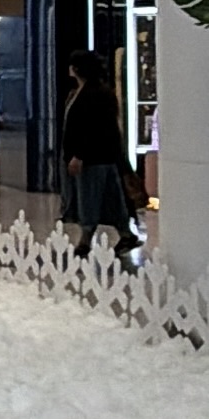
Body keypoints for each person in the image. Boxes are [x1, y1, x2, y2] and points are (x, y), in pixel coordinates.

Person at [60, 49, 139, 260]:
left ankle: (85, 242)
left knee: (90, 198)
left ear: (77, 69)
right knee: (109, 198)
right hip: (99, 157)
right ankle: (125, 234)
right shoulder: (79, 92)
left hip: (94, 158)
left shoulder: (95, 95)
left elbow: (94, 129)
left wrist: (79, 154)